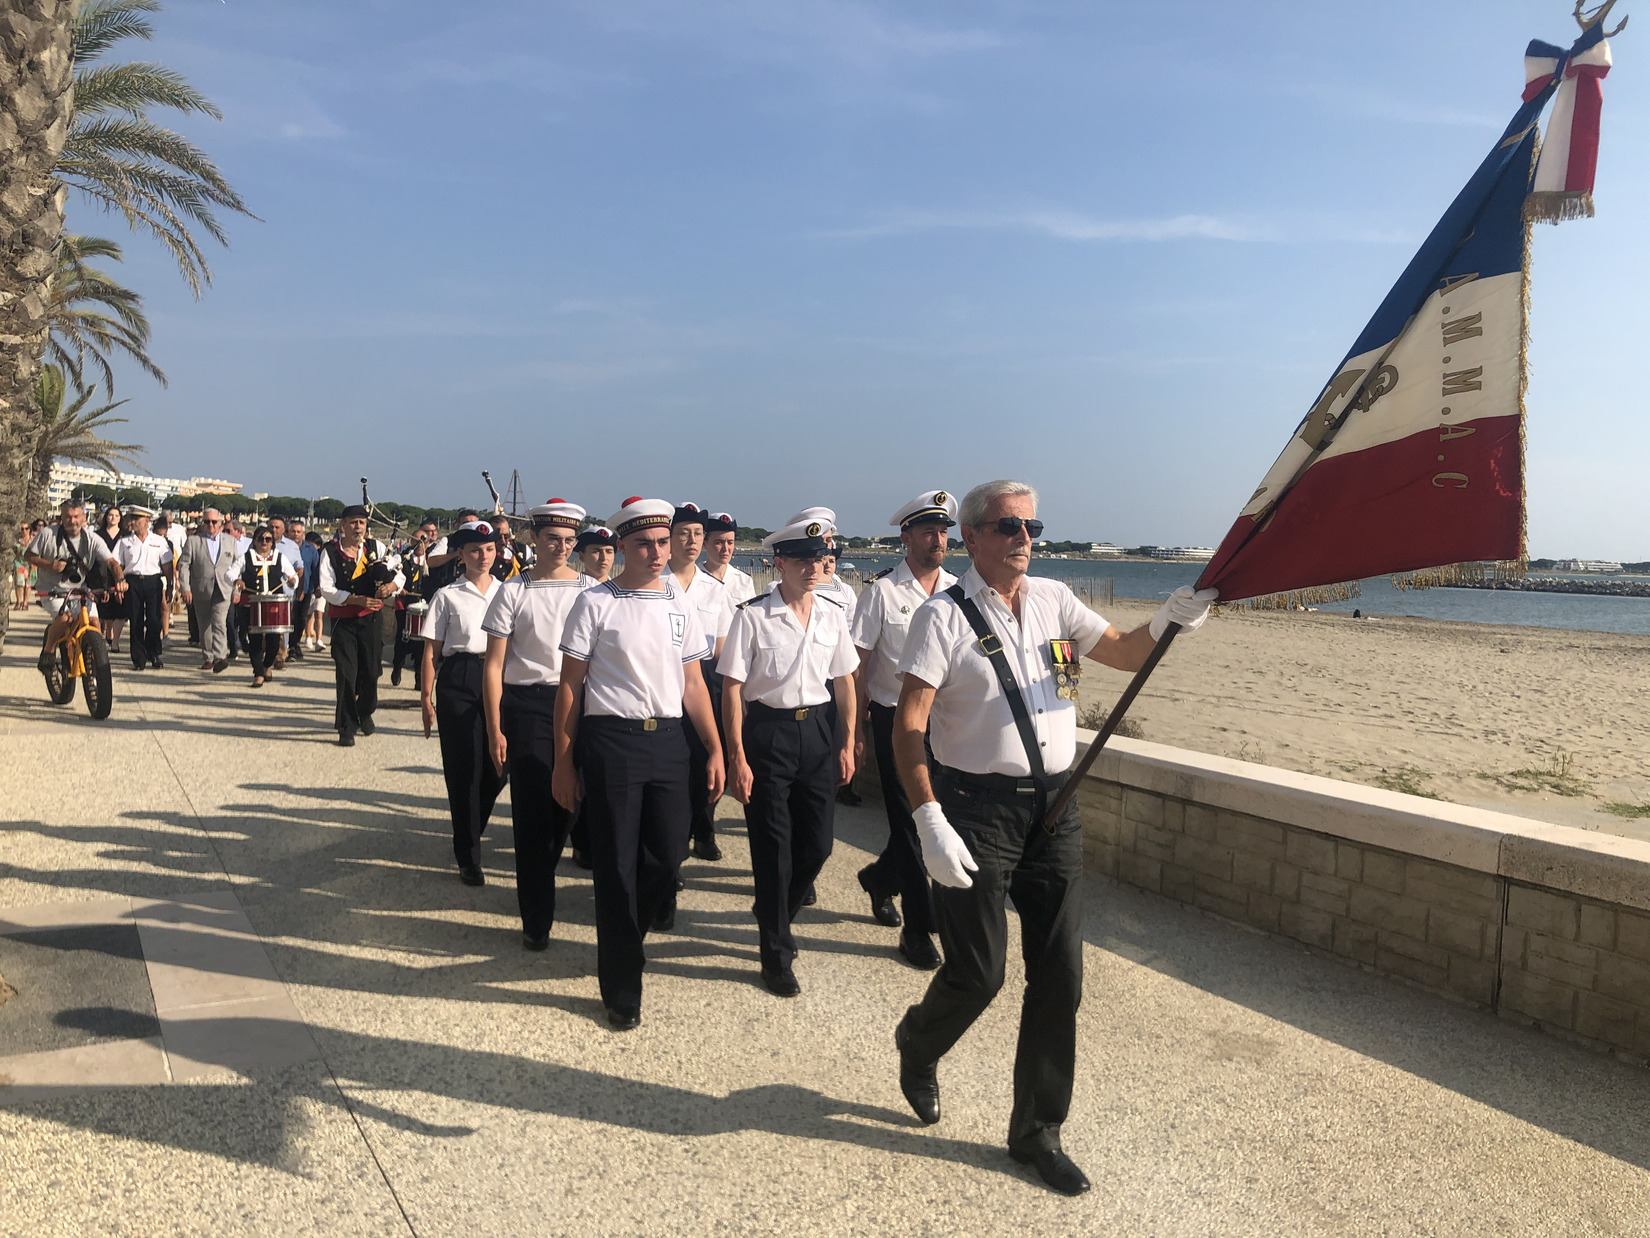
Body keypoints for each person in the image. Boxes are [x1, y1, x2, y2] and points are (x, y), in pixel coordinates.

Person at [890, 479, 1215, 1196]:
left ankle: (1037, 1130)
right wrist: (927, 816)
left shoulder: (1056, 601)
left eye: (1031, 524)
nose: (1024, 536)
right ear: (971, 537)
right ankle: (919, 1041)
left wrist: (1169, 617)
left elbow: (1127, 654)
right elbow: (908, 725)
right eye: (1007, 526)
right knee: (978, 974)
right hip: (974, 809)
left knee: (1060, 977)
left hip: (1056, 808)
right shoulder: (942, 619)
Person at [552, 496, 725, 1031]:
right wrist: (564, 760)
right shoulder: (596, 603)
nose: (656, 552)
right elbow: (569, 686)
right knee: (616, 868)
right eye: (644, 543)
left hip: (670, 741)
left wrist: (716, 747)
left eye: (662, 541)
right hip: (613, 742)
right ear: (622, 545)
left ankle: (627, 943)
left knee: (667, 858)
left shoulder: (680, 605)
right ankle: (622, 985)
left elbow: (694, 684)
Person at [717, 517, 858, 996]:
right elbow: (732, 690)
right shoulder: (753, 615)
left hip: (817, 732)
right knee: (772, 851)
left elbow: (844, 682)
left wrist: (847, 741)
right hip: (768, 734)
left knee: (817, 846)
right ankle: (775, 951)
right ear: (779, 563)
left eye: (819, 559)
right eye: (802, 560)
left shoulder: (833, 613)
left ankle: (774, 911)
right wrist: (736, 755)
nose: (813, 568)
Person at [849, 489, 959, 969]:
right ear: (906, 536)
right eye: (928, 531)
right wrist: (854, 730)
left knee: (937, 818)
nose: (938, 539)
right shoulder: (882, 592)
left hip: (948, 721)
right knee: (915, 824)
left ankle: (879, 878)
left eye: (943, 531)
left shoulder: (960, 591)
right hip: (896, 721)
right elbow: (859, 668)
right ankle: (919, 929)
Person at [481, 500, 593, 947]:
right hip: (528, 705)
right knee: (531, 812)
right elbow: (494, 666)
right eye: (553, 539)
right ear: (534, 539)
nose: (561, 547)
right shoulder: (514, 591)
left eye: (569, 541)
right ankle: (536, 918)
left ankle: (540, 874)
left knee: (569, 806)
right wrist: (494, 729)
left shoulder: (592, 591)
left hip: (581, 702)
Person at [420, 520, 505, 884]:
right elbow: (430, 652)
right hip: (460, 678)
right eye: (474, 550)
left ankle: (471, 826)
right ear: (461, 554)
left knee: (499, 768)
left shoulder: (509, 592)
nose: (482, 556)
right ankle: (468, 854)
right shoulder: (447, 595)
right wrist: (426, 697)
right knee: (464, 768)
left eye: (488, 550)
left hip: (500, 676)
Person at [667, 501, 734, 866]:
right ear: (670, 538)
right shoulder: (656, 582)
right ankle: (674, 836)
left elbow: (721, 646)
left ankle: (703, 829)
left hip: (705, 677)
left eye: (697, 535)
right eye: (684, 534)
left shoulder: (713, 587)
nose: (692, 541)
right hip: (664, 678)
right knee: (675, 763)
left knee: (708, 757)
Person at [318, 504, 404, 746]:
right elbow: (326, 587)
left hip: (371, 619)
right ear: (342, 526)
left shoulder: (376, 548)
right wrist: (353, 599)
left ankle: (365, 711)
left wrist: (391, 587)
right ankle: (346, 727)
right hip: (344, 622)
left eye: (362, 523)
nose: (358, 527)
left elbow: (399, 572)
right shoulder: (330, 552)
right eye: (353, 522)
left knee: (371, 672)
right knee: (347, 674)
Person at [24, 499, 124, 670]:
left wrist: (120, 580)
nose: (72, 521)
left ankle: (94, 659)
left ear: (84, 517)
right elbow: (29, 555)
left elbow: (112, 562)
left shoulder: (92, 538)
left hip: (79, 589)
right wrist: (50, 565)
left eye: (76, 516)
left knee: (94, 622)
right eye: (68, 517)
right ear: (62, 517)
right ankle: (48, 650)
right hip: (51, 589)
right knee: (66, 618)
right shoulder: (48, 534)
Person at [234, 525, 299, 688]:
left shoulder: (279, 557)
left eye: (268, 539)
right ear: (254, 541)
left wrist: (292, 581)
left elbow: (293, 577)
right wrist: (237, 580)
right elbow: (230, 573)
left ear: (272, 542)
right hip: (251, 604)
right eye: (261, 539)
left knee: (273, 641)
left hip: (272, 606)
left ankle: (267, 665)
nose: (264, 542)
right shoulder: (246, 557)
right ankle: (258, 673)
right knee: (254, 640)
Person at [177, 507, 240, 672]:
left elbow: (237, 566)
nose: (211, 525)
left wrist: (237, 590)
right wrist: (185, 588)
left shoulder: (230, 541)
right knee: (204, 624)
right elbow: (183, 565)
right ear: (203, 523)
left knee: (219, 622)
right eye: (207, 521)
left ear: (220, 523)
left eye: (214, 521)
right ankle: (208, 657)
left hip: (223, 587)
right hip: (201, 588)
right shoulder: (193, 541)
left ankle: (220, 656)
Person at [112, 505, 173, 671]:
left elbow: (167, 566)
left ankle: (153, 653)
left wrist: (170, 586)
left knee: (154, 619)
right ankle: (138, 658)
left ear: (146, 520)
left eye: (136, 519)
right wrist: (119, 582)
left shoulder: (159, 541)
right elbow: (117, 564)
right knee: (135, 620)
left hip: (153, 581)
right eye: (132, 519)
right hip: (132, 581)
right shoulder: (124, 542)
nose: (132, 522)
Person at [392, 519, 438, 687]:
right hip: (404, 605)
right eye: (418, 540)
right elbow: (393, 578)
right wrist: (399, 589)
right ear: (411, 542)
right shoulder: (403, 560)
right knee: (402, 638)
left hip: (423, 605)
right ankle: (397, 666)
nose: (421, 544)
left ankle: (419, 678)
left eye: (424, 541)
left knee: (422, 643)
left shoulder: (431, 561)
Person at [94, 506, 128, 654]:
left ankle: (115, 641)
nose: (113, 518)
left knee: (120, 609)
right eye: (110, 515)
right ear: (106, 517)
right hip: (102, 574)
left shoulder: (126, 535)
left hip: (121, 574)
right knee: (105, 608)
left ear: (120, 518)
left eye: (116, 515)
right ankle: (108, 631)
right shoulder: (97, 535)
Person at [702, 512, 756, 604]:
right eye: (719, 542)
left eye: (730, 542)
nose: (725, 549)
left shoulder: (744, 581)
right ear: (704, 544)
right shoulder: (694, 578)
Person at [282, 517, 310, 660]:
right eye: (293, 531)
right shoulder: (284, 547)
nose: (296, 534)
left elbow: (311, 570)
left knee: (300, 620)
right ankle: (288, 648)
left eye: (299, 532)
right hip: (286, 591)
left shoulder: (310, 549)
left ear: (303, 533)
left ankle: (294, 644)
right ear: (288, 532)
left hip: (306, 590)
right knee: (288, 620)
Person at [299, 530, 326, 651]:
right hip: (309, 588)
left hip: (320, 587)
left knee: (319, 613)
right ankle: (308, 636)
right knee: (308, 614)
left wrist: (319, 586)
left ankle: (319, 640)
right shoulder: (306, 552)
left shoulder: (323, 555)